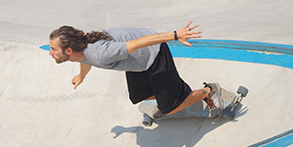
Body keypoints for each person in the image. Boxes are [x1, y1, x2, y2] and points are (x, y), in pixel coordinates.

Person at [47, 21, 219, 117]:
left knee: (169, 108)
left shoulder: (103, 53)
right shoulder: (82, 50)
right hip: (138, 63)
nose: (50, 53)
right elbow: (87, 60)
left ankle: (208, 91)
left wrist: (175, 35)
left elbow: (141, 42)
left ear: (68, 51)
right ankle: (171, 93)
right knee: (138, 97)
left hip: (153, 53)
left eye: (53, 49)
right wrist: (81, 76)